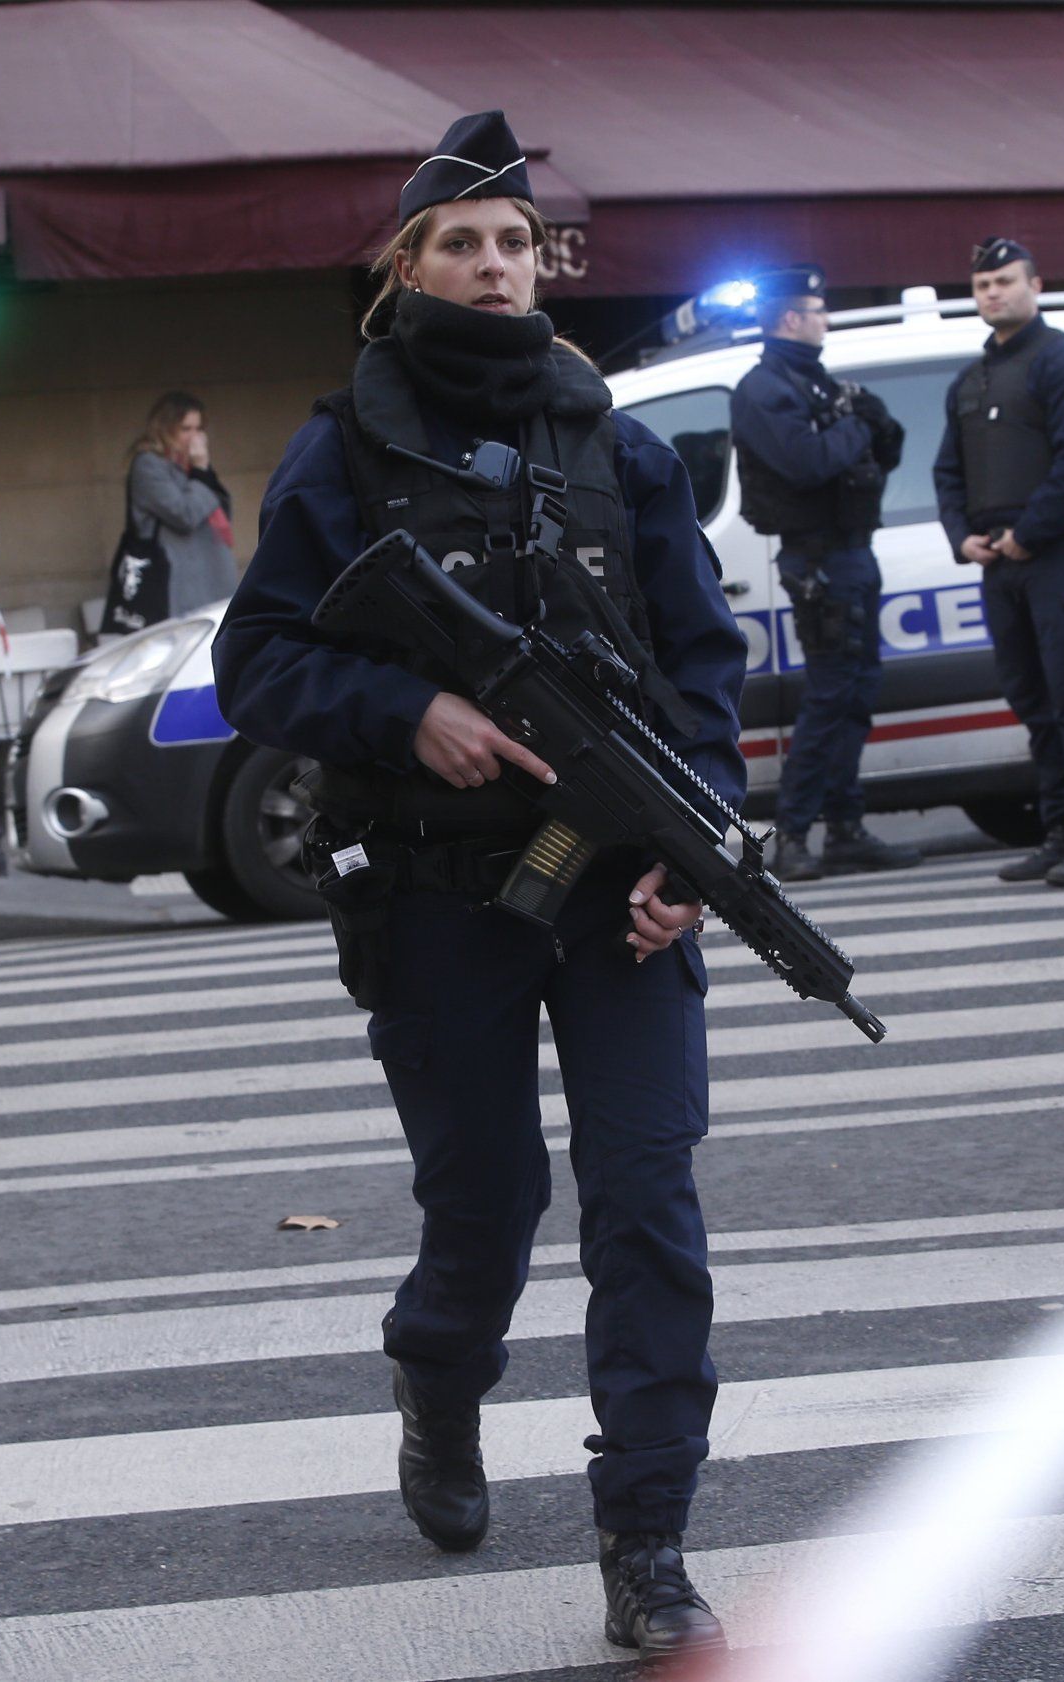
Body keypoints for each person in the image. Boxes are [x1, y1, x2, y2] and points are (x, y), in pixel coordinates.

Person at [211, 110, 744, 1659]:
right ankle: (438, 1384)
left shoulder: (614, 441)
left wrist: (690, 856)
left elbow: (703, 674)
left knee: (647, 1195)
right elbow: (256, 661)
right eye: (464, 243)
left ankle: (646, 1537)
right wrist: (408, 712)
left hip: (614, 894)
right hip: (443, 893)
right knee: (492, 1202)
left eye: (516, 243)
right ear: (408, 268)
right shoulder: (345, 447)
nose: (497, 267)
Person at [932, 237, 1064, 886]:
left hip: (1056, 558)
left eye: (1005, 281)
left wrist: (1028, 534)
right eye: (983, 284)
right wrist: (964, 538)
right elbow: (948, 471)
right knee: (1033, 700)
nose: (993, 294)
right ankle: (1061, 830)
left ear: (1035, 286)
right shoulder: (972, 377)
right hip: (1000, 565)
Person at [727, 263, 919, 881]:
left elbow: (873, 452)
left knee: (856, 694)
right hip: (818, 560)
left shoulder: (811, 382)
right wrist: (857, 423)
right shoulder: (765, 388)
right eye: (818, 311)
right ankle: (796, 836)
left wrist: (873, 422)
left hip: (850, 552)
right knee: (831, 695)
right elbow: (806, 462)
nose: (825, 321)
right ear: (791, 318)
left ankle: (846, 828)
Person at [101, 392, 240, 634]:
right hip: (174, 586)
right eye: (186, 429)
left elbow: (222, 509)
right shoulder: (148, 465)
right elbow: (184, 514)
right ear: (165, 428)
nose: (194, 437)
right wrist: (200, 470)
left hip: (208, 581)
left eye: (199, 429)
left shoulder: (190, 466)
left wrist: (201, 471)